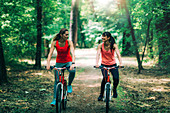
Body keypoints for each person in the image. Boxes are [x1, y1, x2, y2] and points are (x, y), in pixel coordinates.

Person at [46, 28, 76, 106]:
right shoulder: (55, 43)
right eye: (66, 35)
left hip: (68, 62)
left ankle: (69, 85)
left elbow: (72, 52)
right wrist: (48, 64)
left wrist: (73, 63)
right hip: (59, 63)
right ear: (61, 35)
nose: (67, 36)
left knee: (73, 71)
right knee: (56, 81)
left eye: (67, 34)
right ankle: (54, 99)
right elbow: (50, 54)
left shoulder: (69, 42)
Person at [95, 32, 123, 101]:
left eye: (104, 36)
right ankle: (101, 95)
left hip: (113, 64)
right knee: (105, 78)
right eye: (102, 36)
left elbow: (118, 54)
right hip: (104, 64)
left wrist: (121, 63)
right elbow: (98, 54)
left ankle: (114, 89)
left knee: (116, 78)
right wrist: (97, 63)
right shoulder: (100, 45)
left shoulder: (113, 45)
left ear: (108, 38)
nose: (102, 38)